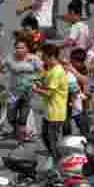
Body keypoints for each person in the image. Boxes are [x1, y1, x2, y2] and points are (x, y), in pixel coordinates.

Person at [31, 43, 69, 174]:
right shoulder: (51, 70)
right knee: (45, 137)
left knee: (52, 140)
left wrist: (36, 89)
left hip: (56, 112)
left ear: (51, 56)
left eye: (44, 58)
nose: (42, 60)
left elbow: (49, 93)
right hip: (49, 111)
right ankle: (56, 159)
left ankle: (58, 165)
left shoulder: (57, 72)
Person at [3, 37, 41, 142]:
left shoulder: (34, 59)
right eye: (17, 48)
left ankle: (22, 141)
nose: (19, 50)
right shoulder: (10, 58)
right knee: (10, 117)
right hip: (13, 93)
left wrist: (37, 81)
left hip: (28, 93)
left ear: (27, 49)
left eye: (22, 47)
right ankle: (17, 131)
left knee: (23, 119)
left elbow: (42, 72)